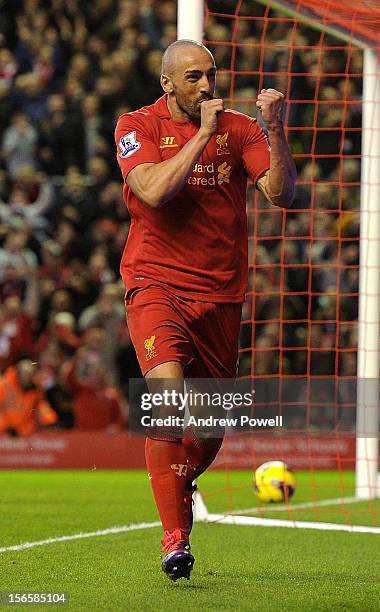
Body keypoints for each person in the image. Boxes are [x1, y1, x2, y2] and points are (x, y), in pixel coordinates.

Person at [115, 39, 296, 581]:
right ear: (167, 83)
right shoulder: (136, 126)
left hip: (220, 296)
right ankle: (175, 540)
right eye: (193, 77)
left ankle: (180, 480)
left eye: (211, 75)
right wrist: (200, 137)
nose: (206, 86)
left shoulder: (240, 129)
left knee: (210, 429)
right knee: (168, 399)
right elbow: (151, 191)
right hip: (155, 285)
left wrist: (276, 128)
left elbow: (281, 193)